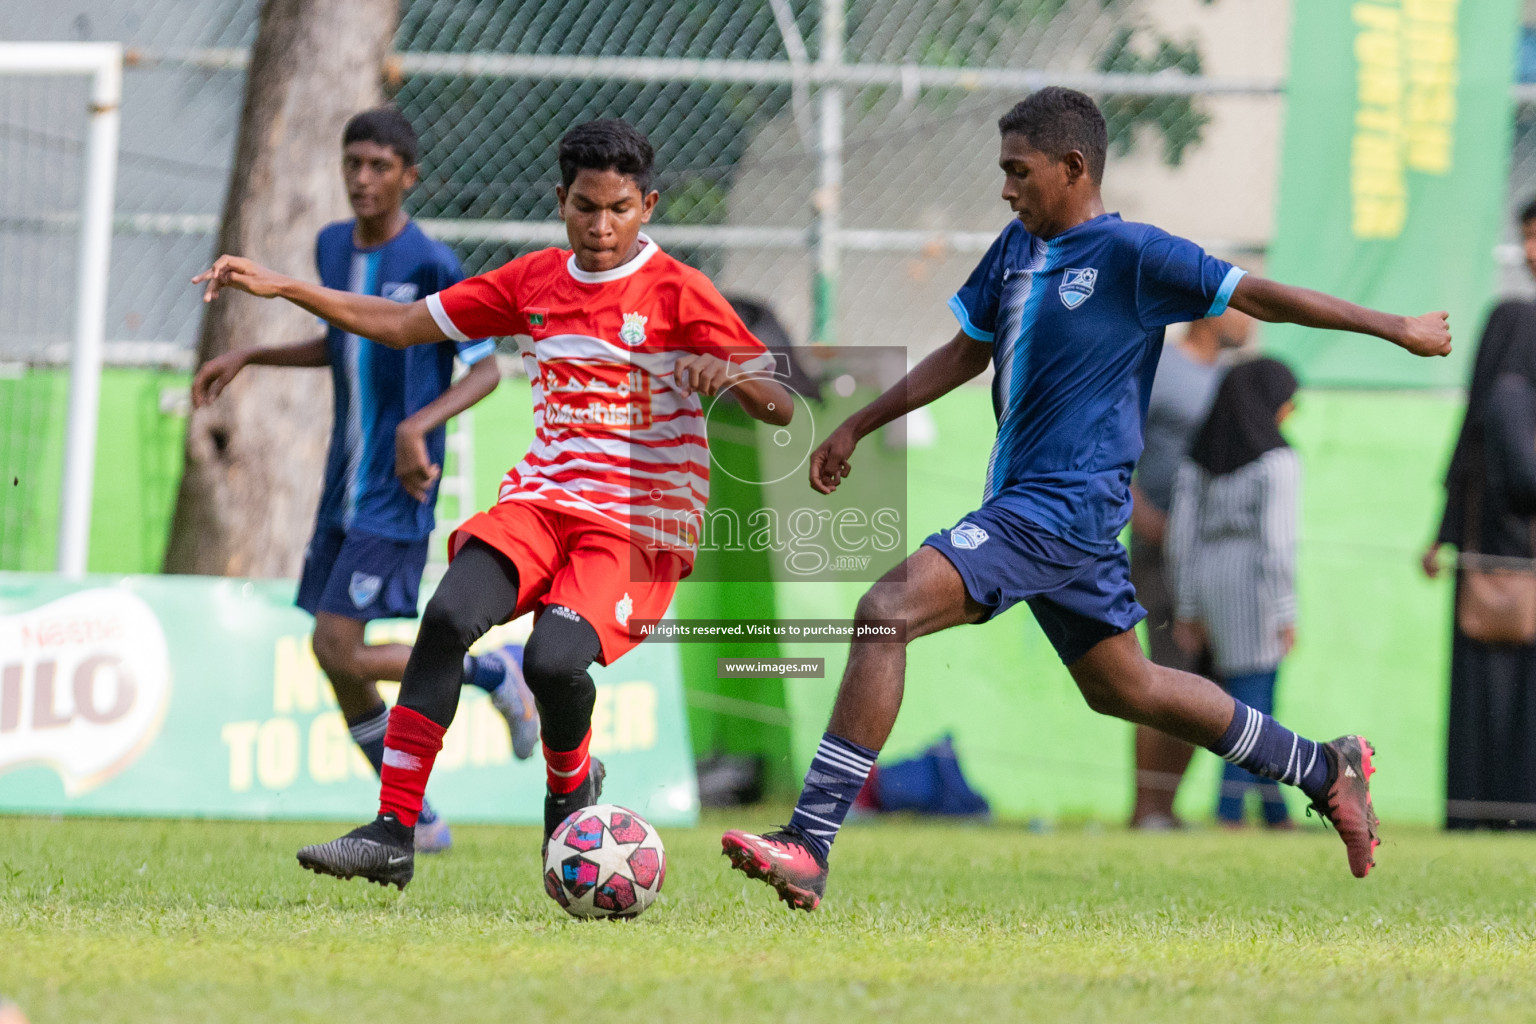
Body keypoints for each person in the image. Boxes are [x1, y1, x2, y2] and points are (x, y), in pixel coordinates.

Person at [721, 87, 1452, 911]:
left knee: (886, 608)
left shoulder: (1136, 256)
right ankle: (1324, 767)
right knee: (1126, 689)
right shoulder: (1016, 249)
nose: (1006, 188)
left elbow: (1262, 296)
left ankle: (809, 841)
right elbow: (966, 352)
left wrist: (1396, 327)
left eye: (1017, 171)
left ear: (1073, 167)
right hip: (1049, 515)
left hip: (1056, 510)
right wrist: (860, 423)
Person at [193, 118, 793, 889]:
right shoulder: (534, 280)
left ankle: (569, 790)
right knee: (445, 620)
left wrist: (735, 380)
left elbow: (780, 404)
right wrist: (285, 287)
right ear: (560, 201)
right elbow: (408, 325)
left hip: (637, 528)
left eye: (618, 209)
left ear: (646, 207)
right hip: (543, 503)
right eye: (584, 207)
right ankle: (393, 831)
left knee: (552, 662)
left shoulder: (682, 294)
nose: (600, 227)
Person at [190, 108, 539, 854]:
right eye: (353, 164)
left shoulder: (436, 263)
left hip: (398, 490)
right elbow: (343, 336)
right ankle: (417, 817)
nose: (362, 179)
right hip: (340, 485)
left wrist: (417, 427)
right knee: (331, 658)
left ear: (408, 175)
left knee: (339, 645)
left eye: (380, 166)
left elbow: (483, 368)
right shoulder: (328, 246)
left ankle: (490, 671)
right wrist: (250, 357)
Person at [1424, 200, 1536, 829]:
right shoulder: (1513, 319)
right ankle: (1483, 811)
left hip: (1506, 534)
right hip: (1492, 533)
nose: (1530, 250)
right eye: (1526, 236)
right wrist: (1442, 532)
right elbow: (1475, 435)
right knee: (1485, 688)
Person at [1127, 307, 1251, 828]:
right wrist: (1142, 515)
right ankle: (1145, 809)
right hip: (1159, 546)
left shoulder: (1227, 379)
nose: (1254, 325)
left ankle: (1167, 808)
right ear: (1213, 313)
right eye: (1247, 311)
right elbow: (1114, 449)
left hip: (1210, 552)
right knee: (1165, 672)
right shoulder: (1161, 368)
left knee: (1207, 678)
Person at [1167, 358, 1301, 829]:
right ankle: (1228, 809)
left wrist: (1186, 606)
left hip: (1208, 577)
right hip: (1253, 581)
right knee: (1254, 701)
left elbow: (1181, 537)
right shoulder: (1277, 461)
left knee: (1243, 693)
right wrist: (1287, 609)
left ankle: (1273, 811)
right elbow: (1278, 544)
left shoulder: (1199, 461)